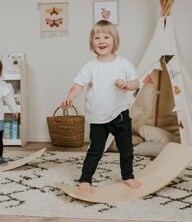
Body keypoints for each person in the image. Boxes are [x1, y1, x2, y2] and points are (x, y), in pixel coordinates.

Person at [61, 20, 142, 194]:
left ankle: (128, 175)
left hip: (120, 114)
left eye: (106, 37)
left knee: (126, 149)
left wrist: (126, 85)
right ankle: (85, 179)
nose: (101, 41)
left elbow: (136, 83)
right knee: (95, 151)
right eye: (97, 37)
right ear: (92, 43)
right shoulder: (90, 67)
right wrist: (69, 97)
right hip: (98, 117)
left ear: (114, 41)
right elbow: (78, 85)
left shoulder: (124, 63)